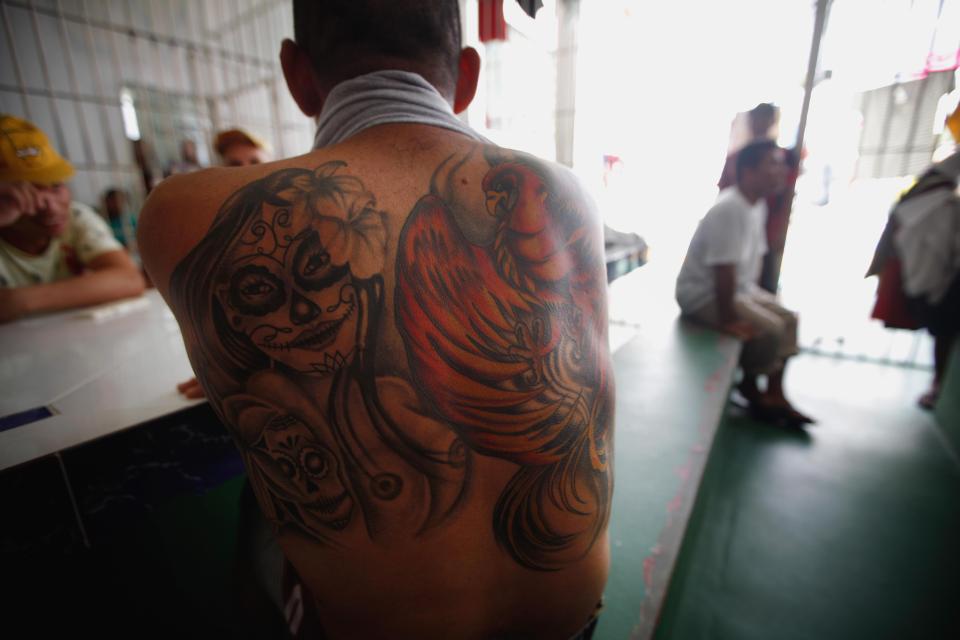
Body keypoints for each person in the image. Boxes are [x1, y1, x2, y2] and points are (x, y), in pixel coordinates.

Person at [137, 2, 614, 638]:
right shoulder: (568, 192)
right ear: (465, 77)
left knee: (255, 525)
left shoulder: (180, 211)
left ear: (296, 76)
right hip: (570, 623)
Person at [677, 140, 812, 427]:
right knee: (771, 328)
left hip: (738, 289)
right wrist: (727, 319)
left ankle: (775, 392)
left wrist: (761, 299)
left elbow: (754, 263)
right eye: (772, 163)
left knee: (788, 319)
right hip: (705, 294)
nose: (781, 171)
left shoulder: (756, 205)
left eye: (782, 164)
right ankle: (752, 385)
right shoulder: (729, 208)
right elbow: (722, 271)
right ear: (748, 171)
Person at [0, 115, 145, 323]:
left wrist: (15, 300)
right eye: (27, 193)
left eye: (56, 186)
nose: (50, 205)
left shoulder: (75, 217)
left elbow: (129, 279)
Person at [719, 103, 800, 294]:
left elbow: (787, 195)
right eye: (756, 119)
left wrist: (781, 228)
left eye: (765, 118)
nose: (778, 172)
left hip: (769, 226)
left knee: (761, 274)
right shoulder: (737, 157)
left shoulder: (786, 157)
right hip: (736, 227)